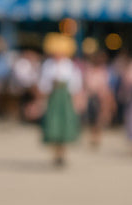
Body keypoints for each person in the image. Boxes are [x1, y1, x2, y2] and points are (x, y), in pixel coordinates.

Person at [39, 34, 82, 167]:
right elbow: (43, 83)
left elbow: (75, 84)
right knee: (53, 124)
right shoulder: (48, 65)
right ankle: (56, 153)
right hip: (53, 97)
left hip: (65, 98)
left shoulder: (69, 65)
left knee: (65, 124)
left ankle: (62, 153)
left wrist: (76, 100)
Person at [82, 51, 115, 149]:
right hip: (91, 96)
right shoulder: (89, 70)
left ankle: (97, 136)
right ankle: (93, 136)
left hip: (100, 97)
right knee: (92, 117)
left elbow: (106, 86)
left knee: (98, 118)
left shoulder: (103, 71)